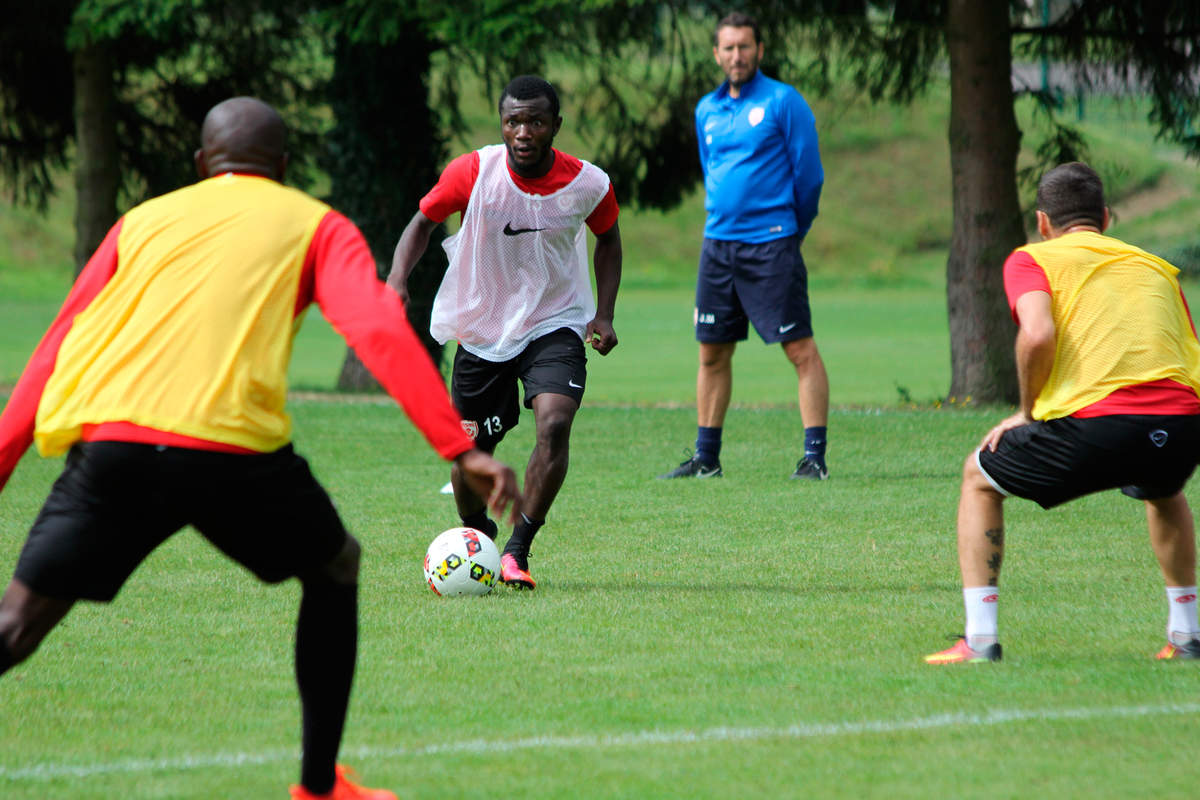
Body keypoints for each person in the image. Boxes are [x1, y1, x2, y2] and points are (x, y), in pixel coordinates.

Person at [0, 97, 522, 799]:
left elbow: (54, 350)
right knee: (335, 566)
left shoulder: (141, 222)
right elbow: (376, 330)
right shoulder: (314, 223)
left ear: (199, 165)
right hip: (230, 451)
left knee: (17, 623)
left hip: (113, 447)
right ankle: (319, 788)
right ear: (282, 167)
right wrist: (458, 449)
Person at [925, 162, 1200, 665]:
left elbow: (1037, 334)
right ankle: (1187, 635)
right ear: (1107, 218)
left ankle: (980, 641)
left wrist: (1028, 412)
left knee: (979, 478)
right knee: (1163, 489)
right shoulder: (1156, 267)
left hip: (1104, 427)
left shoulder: (1033, 259)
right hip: (1185, 423)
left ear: (1044, 222)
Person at [387, 75, 621, 591]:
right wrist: (396, 280)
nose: (523, 131)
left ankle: (518, 550)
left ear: (555, 126)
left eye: (536, 121)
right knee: (467, 460)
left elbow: (609, 239)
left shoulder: (588, 183)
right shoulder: (473, 171)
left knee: (555, 424)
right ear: (502, 123)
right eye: (513, 120)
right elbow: (422, 221)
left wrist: (602, 314)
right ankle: (477, 537)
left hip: (554, 320)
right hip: (483, 327)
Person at [659, 11, 828, 481]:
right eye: (728, 48)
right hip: (717, 247)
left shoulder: (783, 101)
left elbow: (809, 176)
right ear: (717, 53)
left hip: (771, 246)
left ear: (759, 50)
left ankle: (814, 457)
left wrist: (793, 228)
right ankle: (706, 458)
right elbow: (713, 171)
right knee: (711, 353)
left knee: (799, 350)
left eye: (745, 47)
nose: (737, 55)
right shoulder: (706, 109)